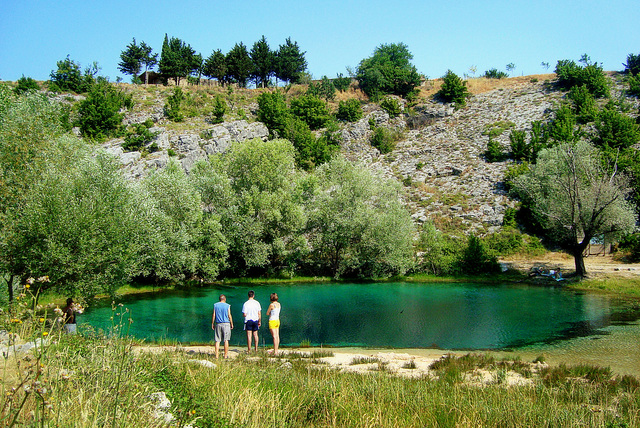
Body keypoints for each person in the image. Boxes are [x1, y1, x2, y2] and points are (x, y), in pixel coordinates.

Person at [211, 294, 234, 359]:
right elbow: (229, 315)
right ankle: (225, 355)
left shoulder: (215, 305)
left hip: (218, 323)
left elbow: (214, 315)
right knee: (226, 340)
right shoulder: (227, 305)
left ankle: (216, 355)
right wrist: (232, 323)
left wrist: (212, 323)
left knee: (217, 340)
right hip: (226, 324)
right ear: (225, 299)